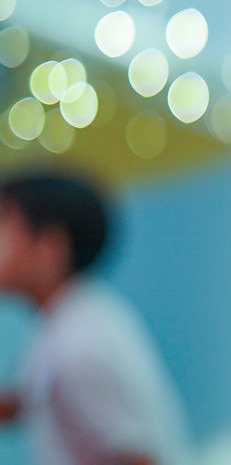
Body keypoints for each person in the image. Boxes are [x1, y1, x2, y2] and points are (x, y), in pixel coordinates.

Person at [0, 173, 189, 465]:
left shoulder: (78, 346)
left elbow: (138, 458)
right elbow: (28, 400)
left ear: (49, 248)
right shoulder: (70, 318)